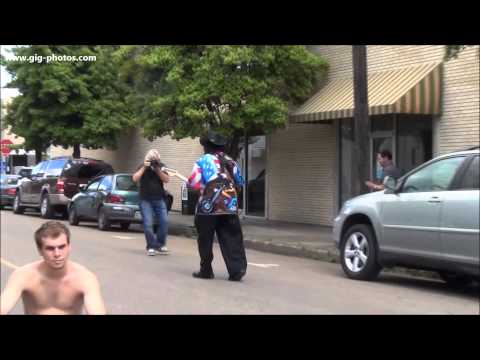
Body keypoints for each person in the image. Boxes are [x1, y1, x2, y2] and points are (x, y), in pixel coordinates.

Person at [0, 221, 106, 315]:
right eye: (50, 248)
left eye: (62, 247)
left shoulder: (85, 278)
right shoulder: (23, 275)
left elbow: (96, 310)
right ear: (40, 250)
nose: (57, 254)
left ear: (69, 246)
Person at [188, 130, 247, 282]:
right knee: (232, 238)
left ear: (206, 146)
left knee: (205, 239)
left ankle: (206, 270)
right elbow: (240, 182)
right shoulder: (230, 161)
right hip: (229, 206)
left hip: (208, 208)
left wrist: (197, 187)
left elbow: (194, 184)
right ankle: (236, 270)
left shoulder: (202, 161)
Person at [132, 149, 171, 256]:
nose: (153, 161)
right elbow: (135, 178)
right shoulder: (142, 166)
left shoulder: (161, 166)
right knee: (148, 223)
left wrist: (157, 169)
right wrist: (145, 166)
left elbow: (167, 179)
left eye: (155, 158)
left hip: (159, 198)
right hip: (145, 199)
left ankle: (160, 244)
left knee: (164, 222)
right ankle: (151, 246)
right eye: (151, 159)